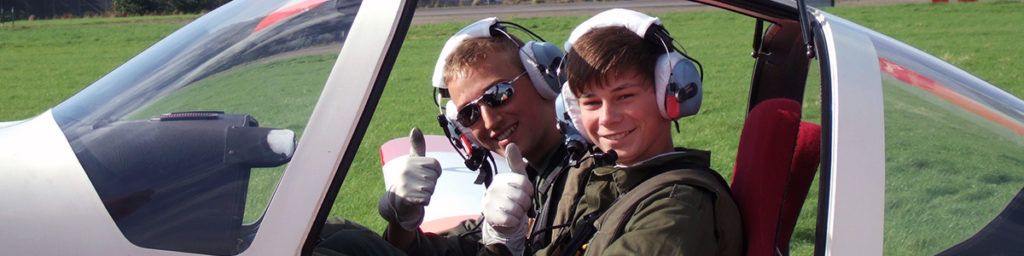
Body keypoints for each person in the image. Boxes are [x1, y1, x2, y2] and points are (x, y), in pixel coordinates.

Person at [315, 17, 581, 256]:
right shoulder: (535, 175)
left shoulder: (588, 173)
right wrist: (403, 221)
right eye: (469, 115)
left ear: (545, 77)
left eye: (498, 94)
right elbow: (460, 247)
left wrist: (506, 243)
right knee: (342, 239)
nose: (489, 121)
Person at [522, 9, 743, 255]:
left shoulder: (676, 209)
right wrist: (505, 240)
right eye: (592, 103)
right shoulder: (608, 183)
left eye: (624, 96)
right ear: (572, 112)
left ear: (668, 95)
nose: (607, 118)